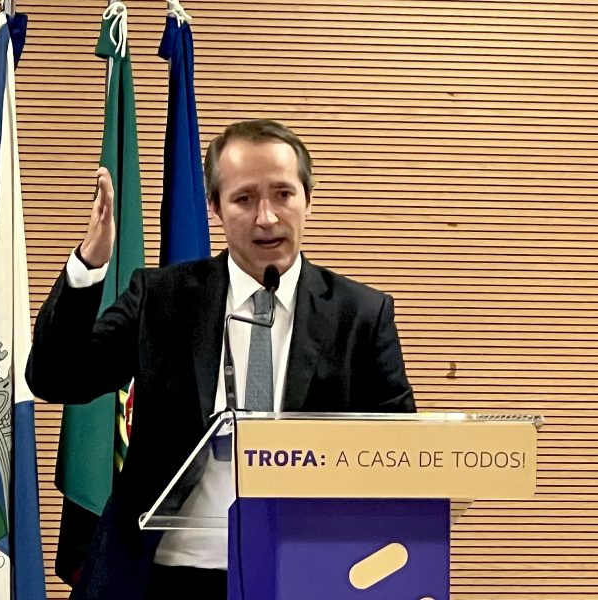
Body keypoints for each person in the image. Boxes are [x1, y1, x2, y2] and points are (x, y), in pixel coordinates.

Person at [26, 119, 415, 600]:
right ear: (214, 207)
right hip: (164, 579)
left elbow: (402, 455)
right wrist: (88, 267)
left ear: (308, 200)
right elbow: (56, 377)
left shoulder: (360, 315)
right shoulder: (162, 298)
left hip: (302, 576)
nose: (266, 217)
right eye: (244, 199)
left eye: (283, 194)